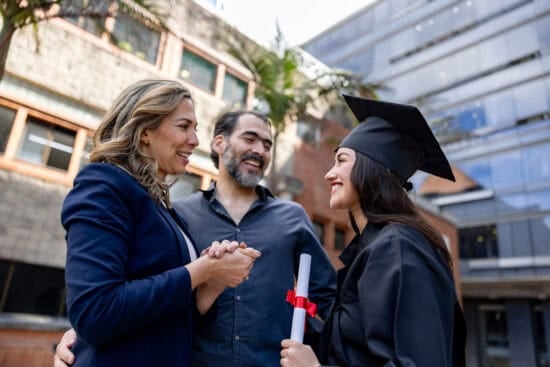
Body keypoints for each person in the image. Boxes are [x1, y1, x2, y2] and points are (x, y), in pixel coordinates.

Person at [54, 110, 336, 367]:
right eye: (250, 139)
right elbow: (137, 290)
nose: (259, 150)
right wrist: (81, 333)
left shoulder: (293, 216)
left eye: (267, 145)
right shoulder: (176, 216)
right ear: (219, 143)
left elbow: (328, 299)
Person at [58, 79, 261, 367]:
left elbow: (167, 312)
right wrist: (203, 269)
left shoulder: (162, 207)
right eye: (183, 126)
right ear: (144, 132)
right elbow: (95, 312)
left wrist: (211, 283)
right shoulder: (103, 185)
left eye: (195, 129)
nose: (194, 140)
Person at [280, 94, 467, 367]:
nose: (329, 174)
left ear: (373, 168)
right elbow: (358, 350)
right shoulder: (375, 248)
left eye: (341, 160)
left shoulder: (400, 248)